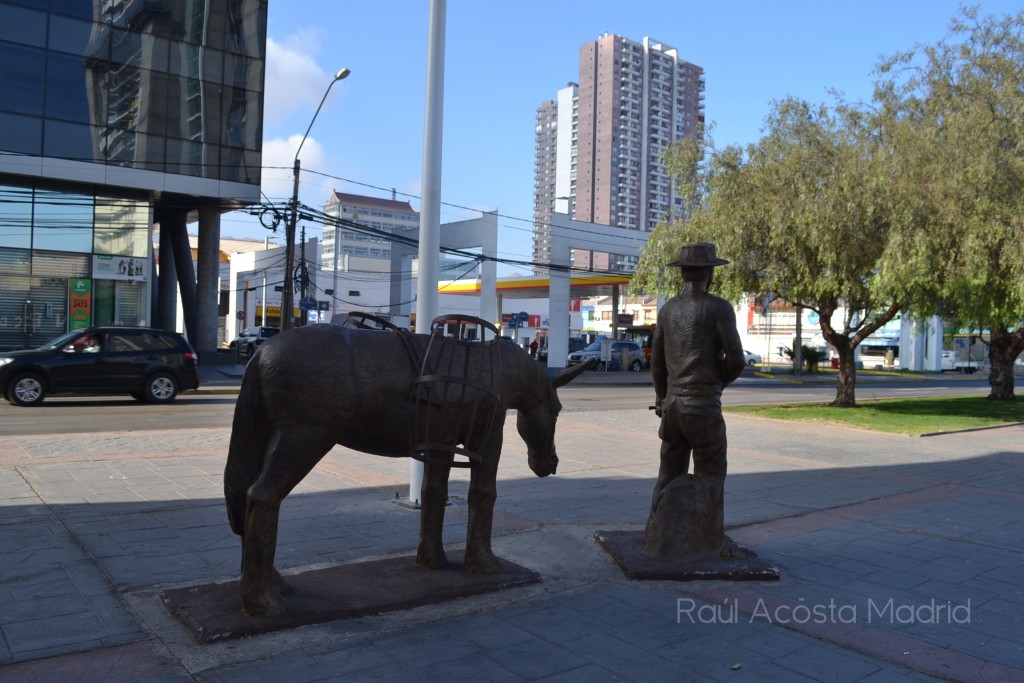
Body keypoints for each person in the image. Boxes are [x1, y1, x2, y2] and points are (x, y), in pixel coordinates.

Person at [650, 242, 745, 488]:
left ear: (682, 272)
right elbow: (736, 360)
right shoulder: (718, 307)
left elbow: (657, 363)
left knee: (667, 476)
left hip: (671, 408)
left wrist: (662, 398)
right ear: (710, 272)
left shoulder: (667, 309)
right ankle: (706, 527)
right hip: (701, 407)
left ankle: (659, 525)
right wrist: (716, 385)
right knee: (710, 476)